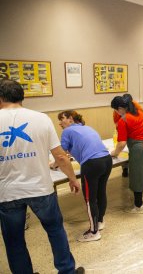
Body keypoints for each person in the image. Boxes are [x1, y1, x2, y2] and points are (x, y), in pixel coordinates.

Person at [0, 79, 84, 273]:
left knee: (13, 241)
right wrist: (72, 178)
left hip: (7, 192)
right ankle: (67, 270)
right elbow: (61, 156)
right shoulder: (41, 118)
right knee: (55, 231)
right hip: (41, 189)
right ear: (22, 96)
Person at [51, 110, 112, 242]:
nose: (60, 123)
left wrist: (54, 164)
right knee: (101, 193)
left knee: (90, 199)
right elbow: (67, 153)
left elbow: (62, 155)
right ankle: (100, 222)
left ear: (71, 119)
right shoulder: (87, 128)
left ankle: (94, 232)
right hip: (106, 160)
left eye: (62, 119)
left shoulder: (67, 131)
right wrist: (56, 163)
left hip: (92, 164)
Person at [110, 95, 143, 213]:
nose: (116, 112)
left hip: (140, 149)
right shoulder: (140, 113)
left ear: (121, 108)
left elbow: (121, 143)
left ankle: (138, 207)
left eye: (116, 110)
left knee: (138, 176)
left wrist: (114, 153)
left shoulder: (124, 120)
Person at [113, 94, 143, 177]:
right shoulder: (118, 112)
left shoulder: (137, 107)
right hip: (124, 130)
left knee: (130, 149)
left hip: (137, 139)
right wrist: (121, 131)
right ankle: (125, 168)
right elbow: (116, 122)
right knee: (123, 149)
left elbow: (139, 121)